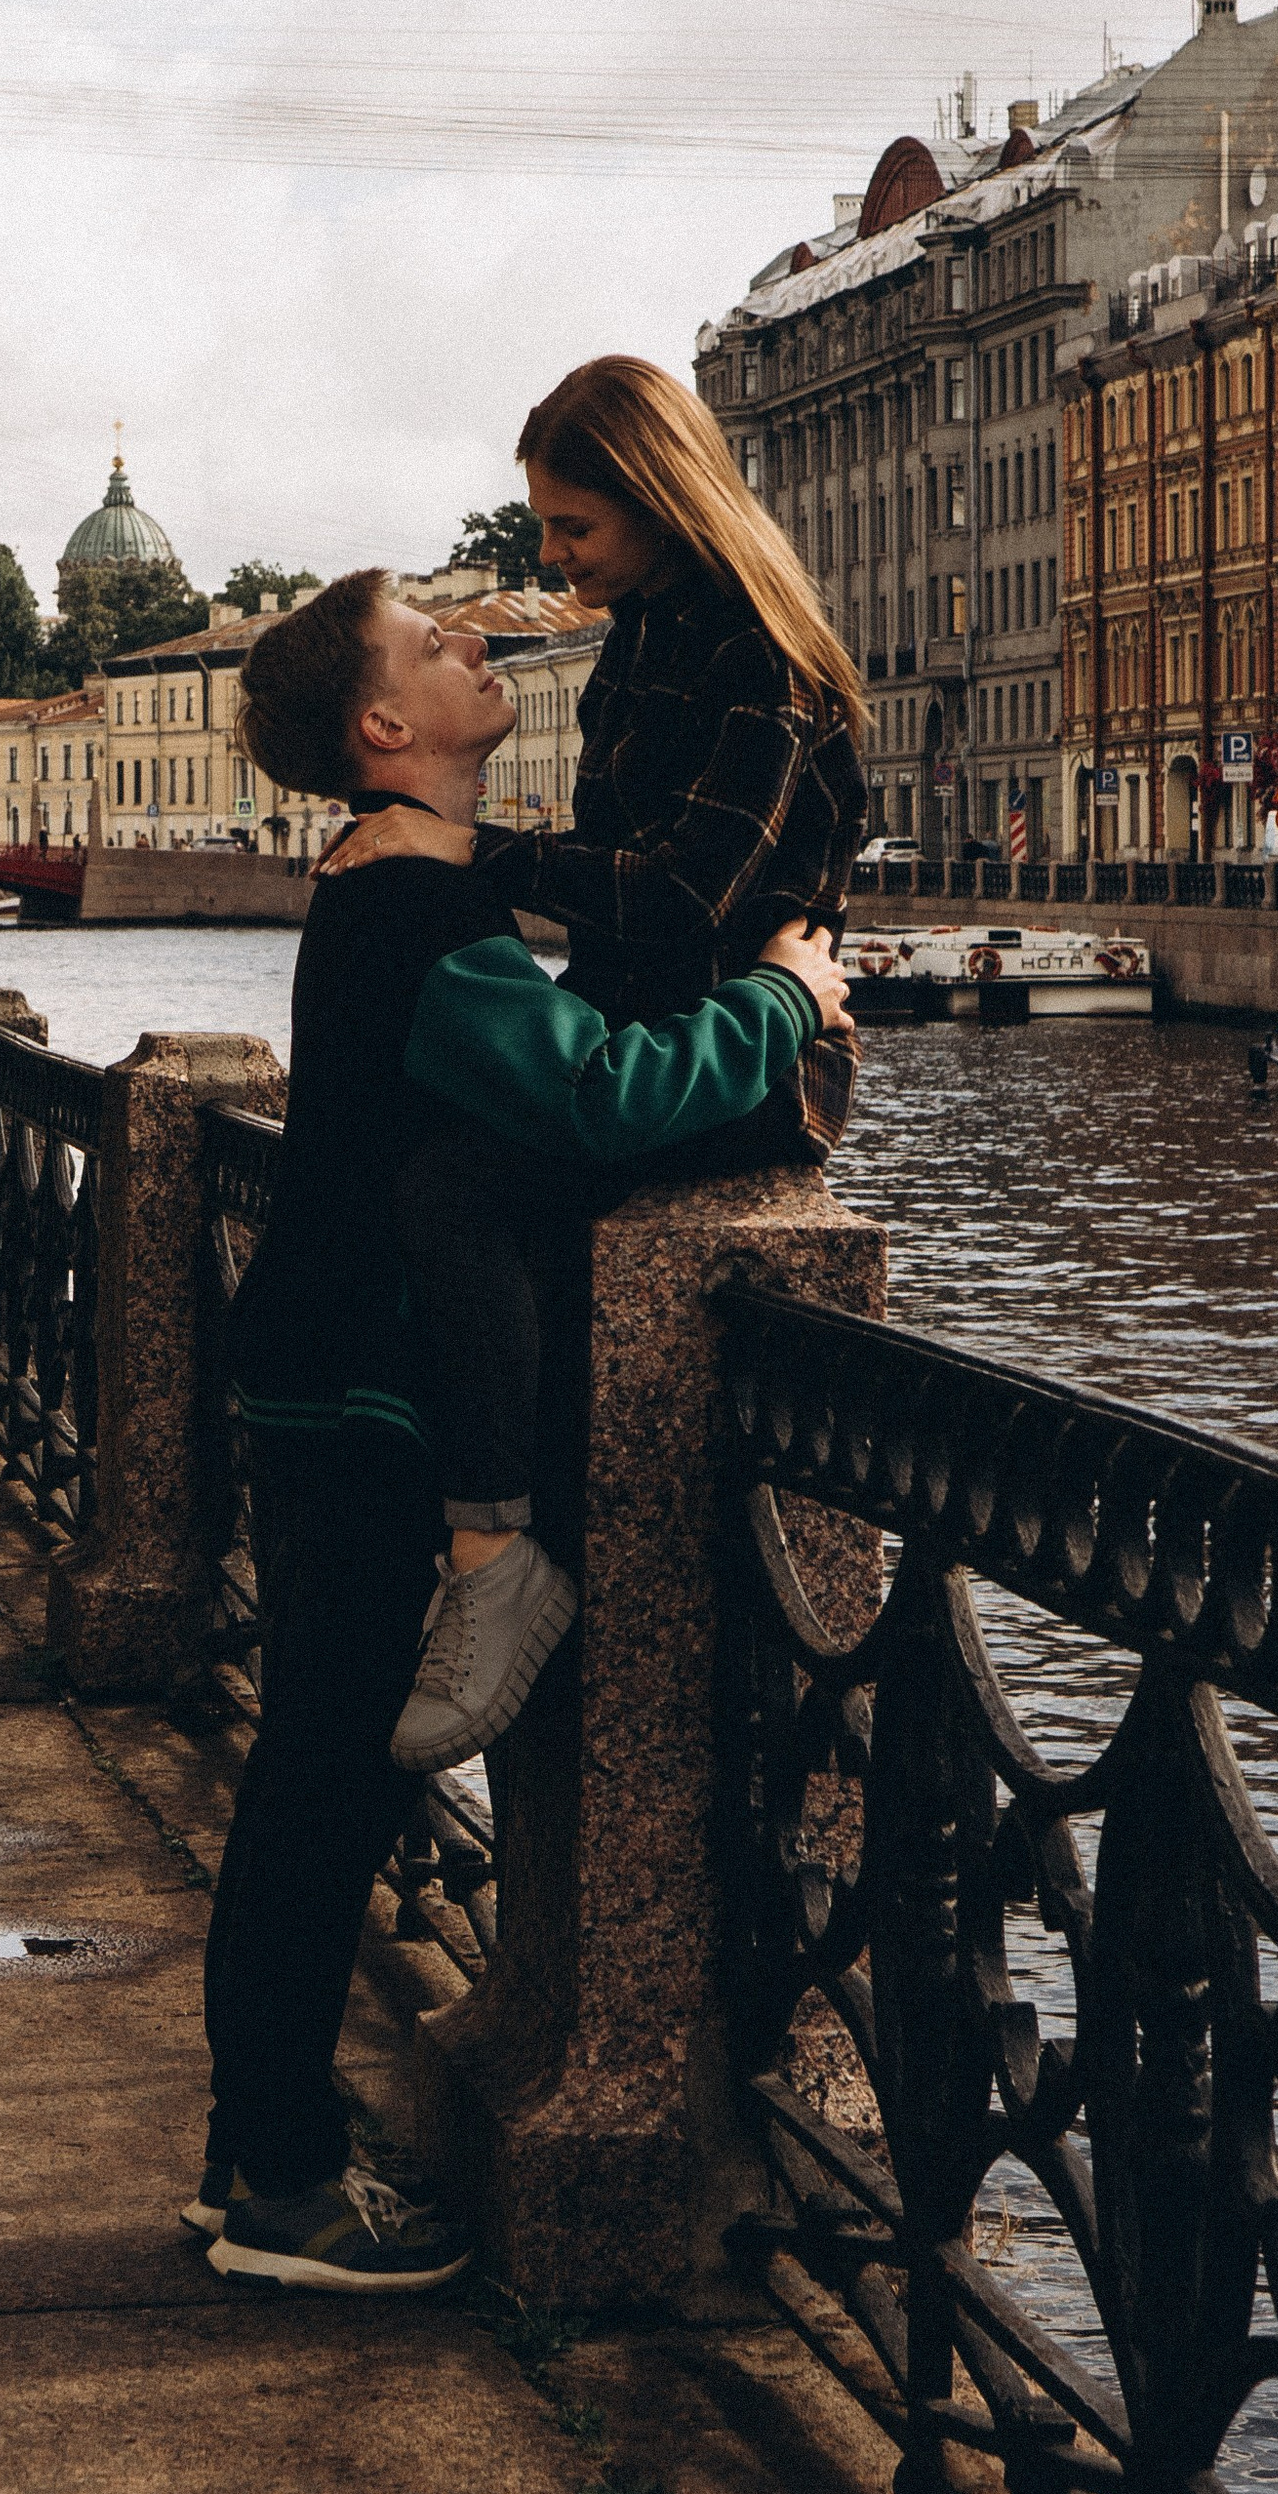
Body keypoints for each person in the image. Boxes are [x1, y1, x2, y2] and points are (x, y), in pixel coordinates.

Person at [195, 572, 853, 2295]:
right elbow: (592, 1093)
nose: (476, 644)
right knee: (324, 1788)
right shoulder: (417, 906)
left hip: (324, 1368)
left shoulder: (397, 884)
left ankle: (251, 2151)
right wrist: (783, 1001)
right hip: (357, 1389)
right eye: (435, 643)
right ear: (382, 732)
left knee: (308, 1780)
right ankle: (280, 2185)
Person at [317, 354, 868, 1759]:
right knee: (444, 1172)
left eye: (576, 529)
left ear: (665, 500)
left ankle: (495, 1567)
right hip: (651, 1041)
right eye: (547, 528)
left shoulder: (759, 653)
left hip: (747, 1064)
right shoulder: (647, 632)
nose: (553, 558)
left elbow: (689, 897)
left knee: (454, 1190)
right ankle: (498, 1550)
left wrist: (465, 845)